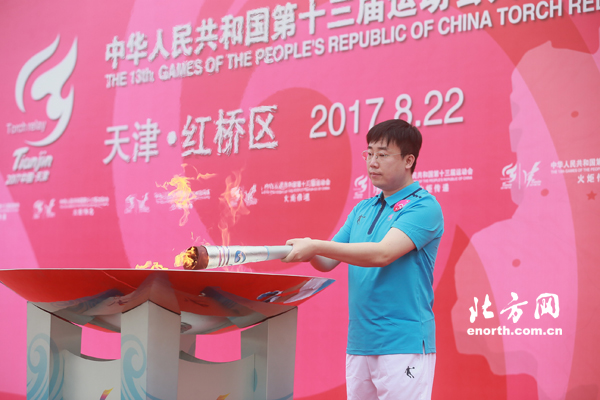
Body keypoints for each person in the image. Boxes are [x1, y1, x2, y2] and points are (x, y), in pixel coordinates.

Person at [282, 119, 444, 400]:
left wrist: (315, 245)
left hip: (402, 343)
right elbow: (327, 261)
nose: (372, 162)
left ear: (409, 160)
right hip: (360, 342)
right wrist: (306, 250)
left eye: (382, 154)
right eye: (369, 154)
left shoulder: (424, 206)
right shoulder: (363, 209)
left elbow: (382, 253)